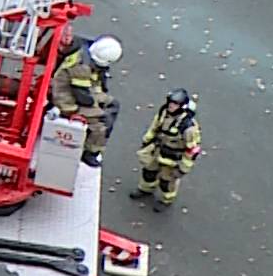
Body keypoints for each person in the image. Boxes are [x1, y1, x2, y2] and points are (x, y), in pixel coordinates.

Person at [51, 34, 121, 167]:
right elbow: (84, 98)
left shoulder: (84, 53)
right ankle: (90, 152)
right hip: (66, 101)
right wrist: (99, 107)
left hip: (74, 91)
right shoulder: (82, 68)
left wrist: (103, 99)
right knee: (102, 123)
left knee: (113, 104)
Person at [133, 88, 201, 211]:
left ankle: (166, 199)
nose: (171, 105)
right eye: (170, 102)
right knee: (148, 171)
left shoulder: (188, 128)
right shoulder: (164, 112)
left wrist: (183, 168)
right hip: (157, 149)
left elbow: (192, 150)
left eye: (175, 104)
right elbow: (155, 126)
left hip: (172, 157)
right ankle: (146, 189)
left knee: (167, 181)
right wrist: (147, 140)